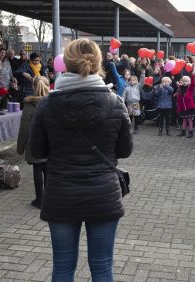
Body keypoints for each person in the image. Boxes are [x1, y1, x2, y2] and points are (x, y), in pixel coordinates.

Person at [28, 38, 132, 282]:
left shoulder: (47, 104)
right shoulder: (114, 102)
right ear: (98, 63)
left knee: (63, 267)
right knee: (103, 266)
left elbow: (36, 150)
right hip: (103, 194)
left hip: (61, 194)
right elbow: (125, 150)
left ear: (66, 62)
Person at [17, 76, 49, 208]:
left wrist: (20, 147)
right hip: (50, 143)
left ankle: (40, 200)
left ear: (33, 88)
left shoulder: (29, 105)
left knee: (37, 170)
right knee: (48, 170)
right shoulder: (52, 103)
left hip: (34, 143)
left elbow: (24, 127)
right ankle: (49, 199)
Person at [176, 71, 195, 138]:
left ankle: (191, 132)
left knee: (190, 119)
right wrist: (179, 108)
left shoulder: (190, 88)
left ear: (188, 82)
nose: (185, 82)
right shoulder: (180, 89)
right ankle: (183, 131)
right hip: (183, 107)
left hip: (189, 107)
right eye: (184, 81)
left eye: (186, 81)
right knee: (184, 119)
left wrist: (192, 77)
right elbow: (179, 100)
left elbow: (193, 84)